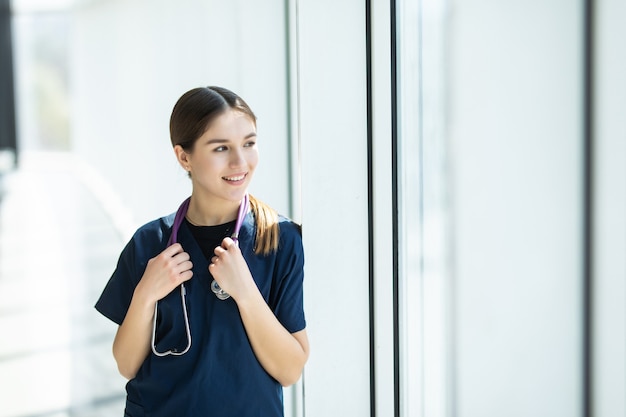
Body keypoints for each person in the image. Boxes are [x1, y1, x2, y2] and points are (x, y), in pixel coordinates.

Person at [95, 86, 309, 417]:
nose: (241, 162)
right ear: (184, 157)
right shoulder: (150, 243)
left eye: (249, 144)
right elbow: (126, 363)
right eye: (221, 148)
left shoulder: (280, 240)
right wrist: (145, 294)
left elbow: (291, 369)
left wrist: (246, 293)